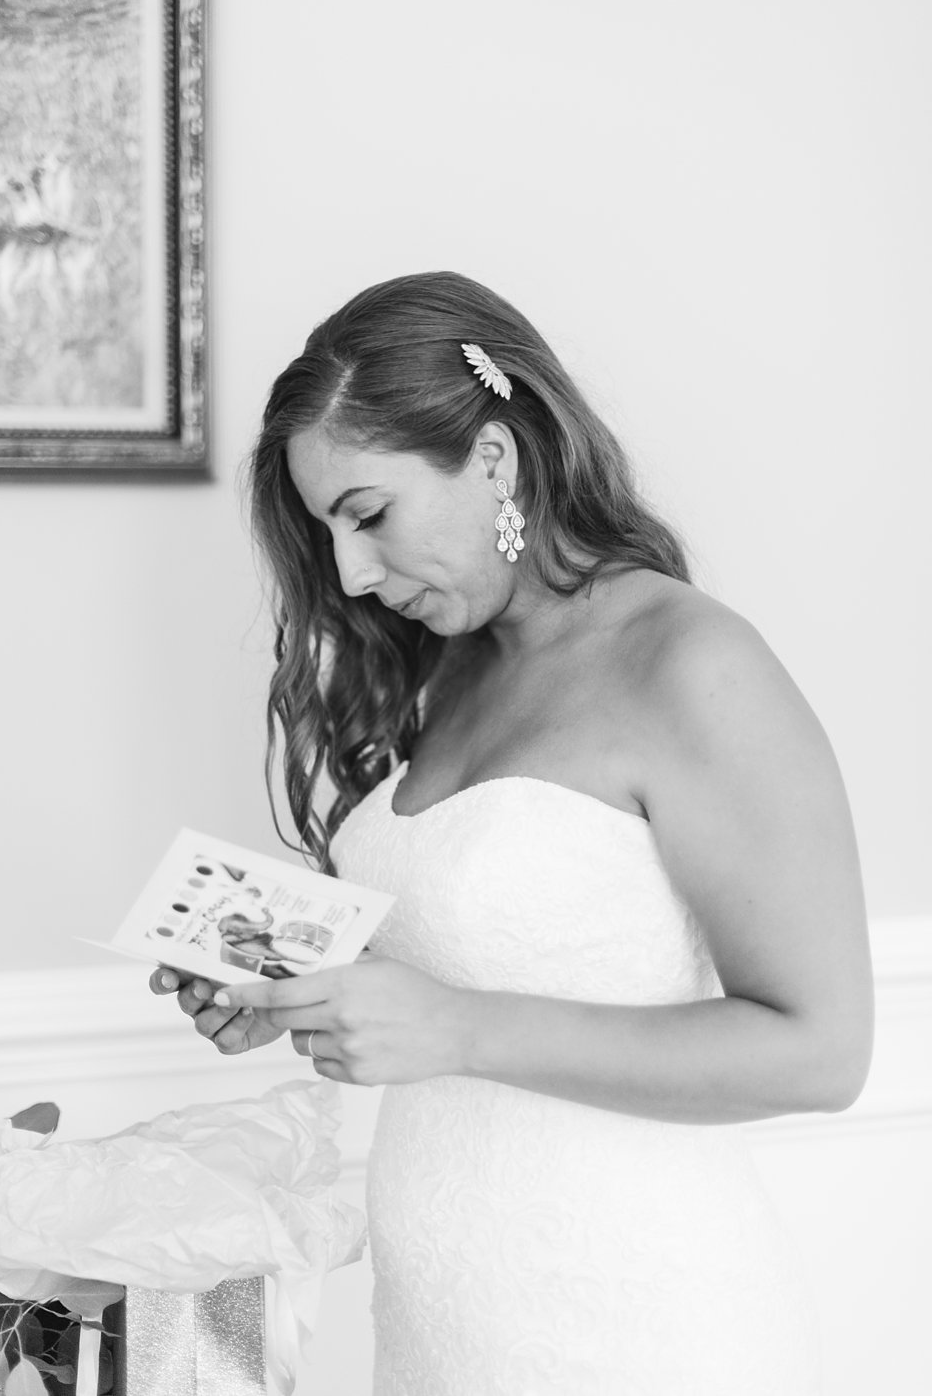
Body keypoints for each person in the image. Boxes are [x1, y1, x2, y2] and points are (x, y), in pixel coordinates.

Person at [153, 271, 868, 1395]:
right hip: (443, 1338)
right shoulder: (446, 669)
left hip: (640, 1337)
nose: (349, 573)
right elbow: (485, 960)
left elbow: (821, 1050)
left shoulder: (690, 665)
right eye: (325, 533)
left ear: (492, 457)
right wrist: (295, 980)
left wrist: (452, 1028)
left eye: (367, 515)